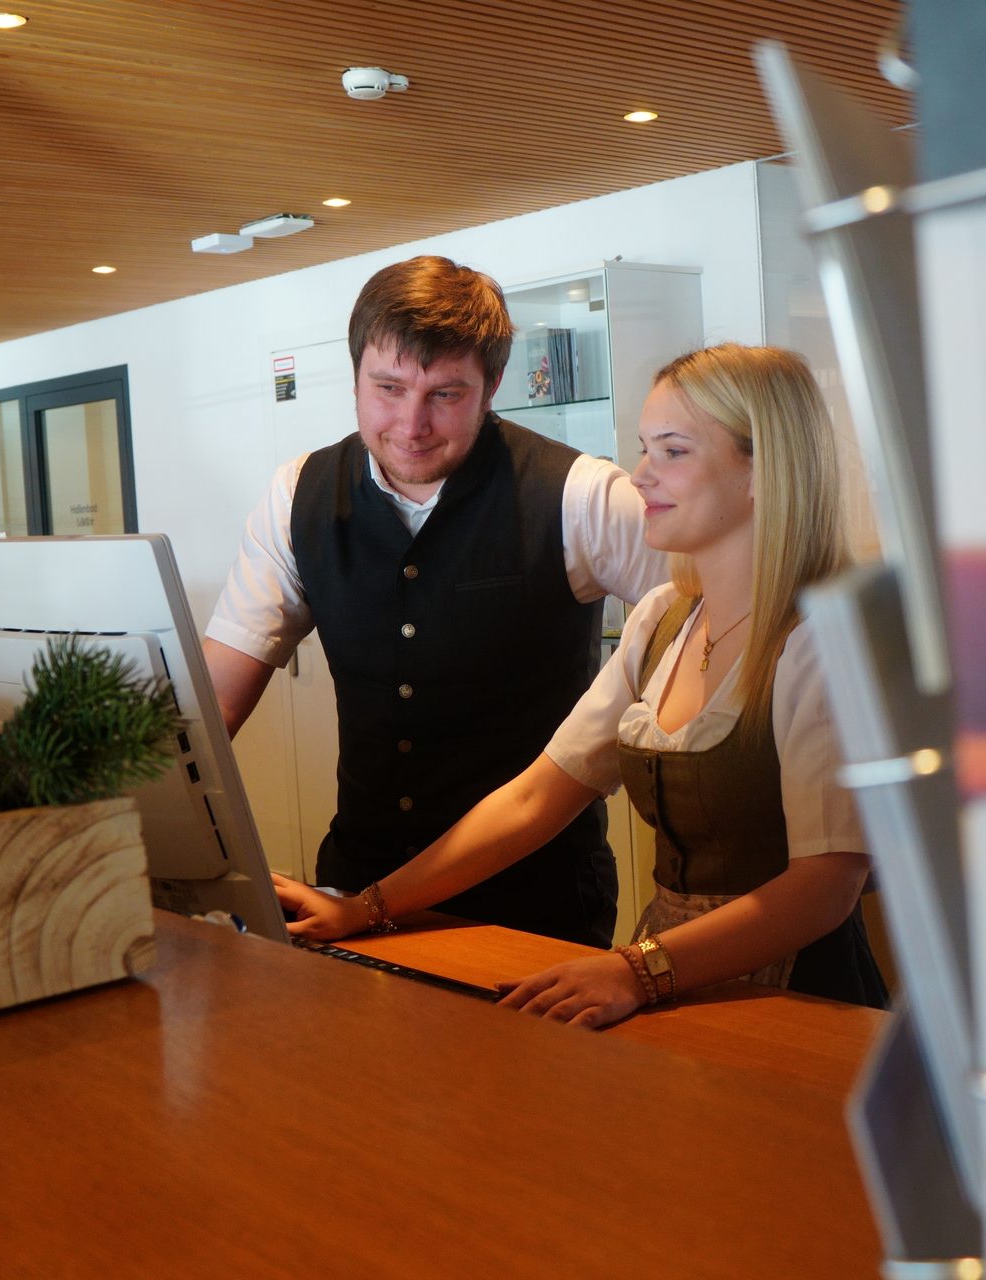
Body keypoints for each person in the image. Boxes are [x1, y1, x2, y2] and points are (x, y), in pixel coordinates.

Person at [278, 343, 889, 1025]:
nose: (641, 476)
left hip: (797, 1000)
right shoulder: (663, 620)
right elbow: (538, 796)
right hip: (670, 986)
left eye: (673, 452)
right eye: (644, 449)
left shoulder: (821, 643)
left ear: (763, 468)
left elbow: (826, 887)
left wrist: (640, 970)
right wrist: (368, 907)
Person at [202, 255, 666, 948]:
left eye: (445, 395)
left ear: (493, 387)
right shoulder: (297, 495)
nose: (411, 424)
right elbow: (213, 703)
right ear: (355, 372)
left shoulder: (582, 496)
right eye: (387, 388)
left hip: (535, 903)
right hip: (353, 890)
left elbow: (710, 625)